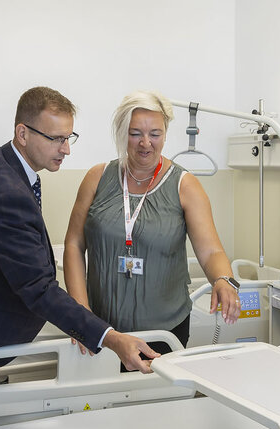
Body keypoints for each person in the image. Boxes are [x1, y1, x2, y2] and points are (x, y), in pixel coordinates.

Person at [0, 86, 158, 381]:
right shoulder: (5, 193)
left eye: (68, 137)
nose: (66, 149)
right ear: (23, 133)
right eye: (56, 139)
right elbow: (38, 289)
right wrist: (112, 339)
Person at [63, 90, 240, 357]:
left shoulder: (185, 185)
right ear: (122, 132)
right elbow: (74, 244)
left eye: (155, 134)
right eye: (135, 133)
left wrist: (223, 280)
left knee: (157, 385)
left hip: (165, 331)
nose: (145, 143)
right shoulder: (97, 178)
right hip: (101, 330)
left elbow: (211, 251)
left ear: (165, 134)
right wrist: (81, 313)